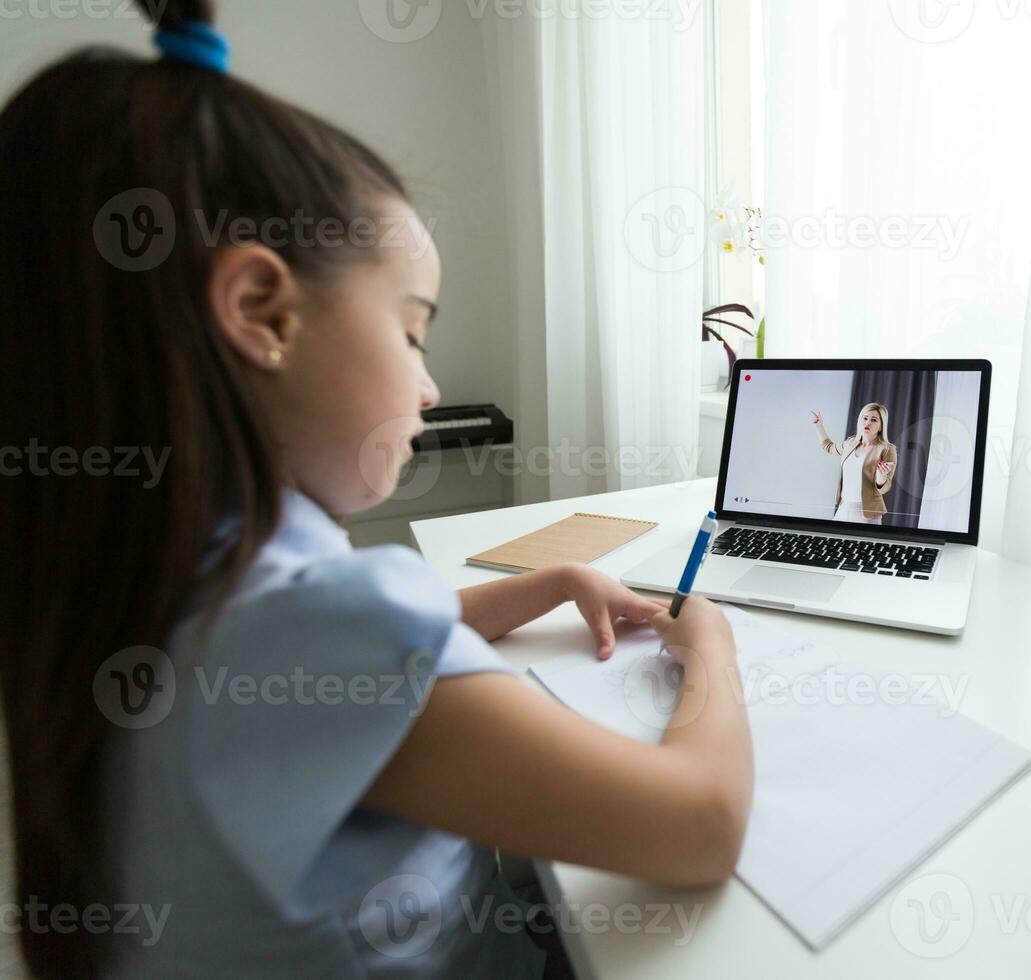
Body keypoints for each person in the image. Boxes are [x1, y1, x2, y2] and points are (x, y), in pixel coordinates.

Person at [0, 4, 753, 977]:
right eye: (411, 331)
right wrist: (713, 648)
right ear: (262, 311)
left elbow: (327, 654)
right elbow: (703, 821)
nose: (429, 384)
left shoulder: (134, 566)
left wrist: (549, 578)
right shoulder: (320, 620)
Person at [809, 403, 899, 524]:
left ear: (881, 426)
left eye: (874, 420)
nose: (867, 422)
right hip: (843, 509)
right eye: (865, 418)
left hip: (867, 514)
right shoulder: (850, 443)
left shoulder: (887, 449)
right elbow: (829, 447)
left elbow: (885, 488)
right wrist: (818, 425)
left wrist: (881, 476)